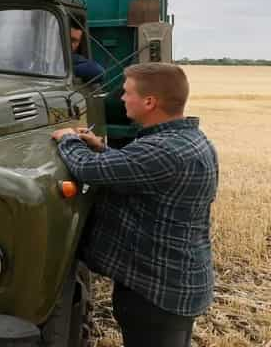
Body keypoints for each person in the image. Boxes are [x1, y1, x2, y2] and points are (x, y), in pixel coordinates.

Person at [51, 63, 218, 347]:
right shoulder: (183, 140)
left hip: (157, 291)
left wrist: (68, 140)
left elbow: (89, 169)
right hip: (173, 281)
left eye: (127, 93)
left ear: (150, 101)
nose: (122, 99)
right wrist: (101, 147)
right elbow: (140, 170)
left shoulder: (163, 151)